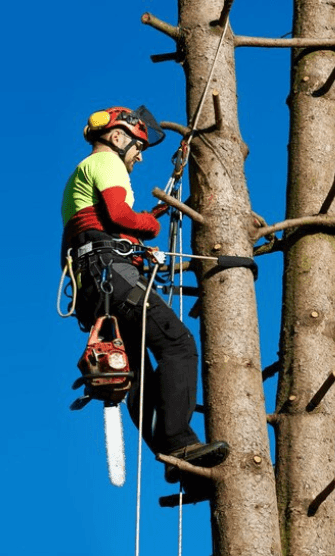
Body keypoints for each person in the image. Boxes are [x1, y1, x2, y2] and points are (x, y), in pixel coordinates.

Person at [61, 106, 228, 493]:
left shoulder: (78, 179)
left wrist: (138, 235)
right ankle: (182, 444)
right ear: (118, 138)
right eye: (137, 145)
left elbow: (100, 226)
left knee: (137, 380)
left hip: (93, 286)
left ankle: (178, 463)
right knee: (178, 344)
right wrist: (149, 224)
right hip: (113, 277)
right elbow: (120, 216)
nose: (140, 154)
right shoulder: (106, 162)